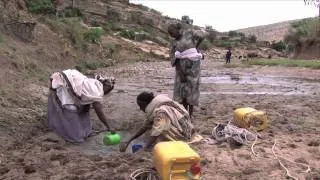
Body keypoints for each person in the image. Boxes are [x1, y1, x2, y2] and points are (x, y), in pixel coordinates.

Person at [47, 69, 115, 143]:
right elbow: (99, 112)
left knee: (84, 109)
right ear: (106, 88)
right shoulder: (97, 90)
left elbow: (86, 101)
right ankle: (74, 138)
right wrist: (109, 126)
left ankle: (86, 133)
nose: (106, 93)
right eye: (108, 91)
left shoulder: (94, 83)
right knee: (71, 110)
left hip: (69, 85)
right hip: (64, 88)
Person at [119, 92, 195, 152]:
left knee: (158, 130)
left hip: (184, 136)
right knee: (152, 126)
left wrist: (143, 149)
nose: (140, 108)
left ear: (145, 104)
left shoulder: (161, 112)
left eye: (140, 106)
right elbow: (145, 126)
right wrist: (129, 141)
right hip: (187, 129)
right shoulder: (159, 103)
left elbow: (158, 131)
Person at [167, 23, 205, 117]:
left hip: (194, 68)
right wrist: (180, 72)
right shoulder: (173, 43)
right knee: (182, 92)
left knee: (192, 90)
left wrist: (196, 47)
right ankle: (184, 113)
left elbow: (202, 36)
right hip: (181, 68)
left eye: (172, 32)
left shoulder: (189, 34)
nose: (171, 35)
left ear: (178, 29)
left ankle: (190, 114)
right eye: (169, 33)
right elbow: (173, 58)